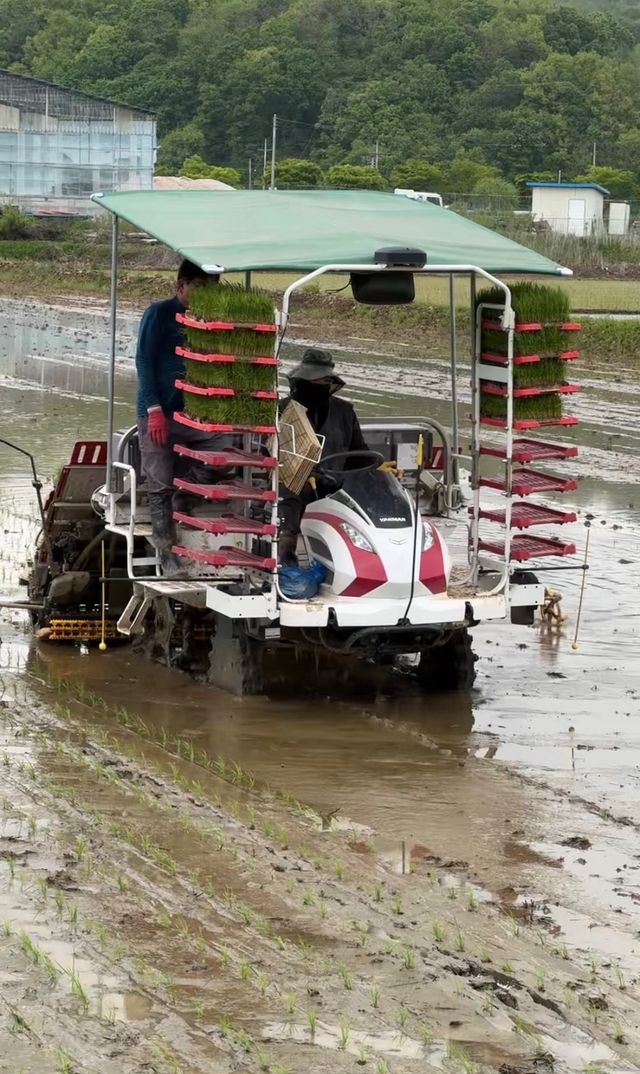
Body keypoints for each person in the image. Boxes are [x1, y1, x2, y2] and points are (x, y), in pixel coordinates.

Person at [135, 259, 229, 577]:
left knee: (222, 456)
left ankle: (183, 494)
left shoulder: (210, 318)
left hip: (197, 413)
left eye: (211, 289)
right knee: (158, 482)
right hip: (160, 411)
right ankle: (166, 550)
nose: (205, 295)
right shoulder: (159, 314)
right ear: (181, 286)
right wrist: (153, 410)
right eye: (199, 287)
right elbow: (144, 362)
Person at [279, 348, 371, 565]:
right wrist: (303, 473)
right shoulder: (282, 409)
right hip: (294, 483)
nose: (318, 386)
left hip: (335, 481)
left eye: (323, 382)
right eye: (313, 382)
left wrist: (380, 468)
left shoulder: (345, 412)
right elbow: (273, 453)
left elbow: (359, 453)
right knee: (292, 492)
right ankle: (285, 556)